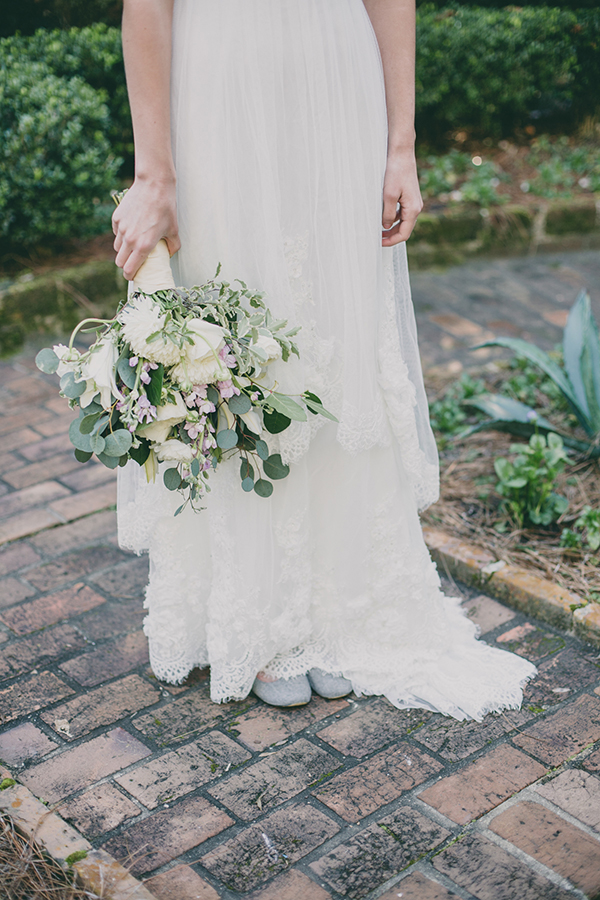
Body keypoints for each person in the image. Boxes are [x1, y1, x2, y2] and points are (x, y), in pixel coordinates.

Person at [112, 0, 535, 717]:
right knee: (243, 334)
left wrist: (400, 146)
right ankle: (263, 614)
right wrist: (155, 174)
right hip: (222, 87)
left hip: (340, 81)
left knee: (338, 329)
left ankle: (344, 606)